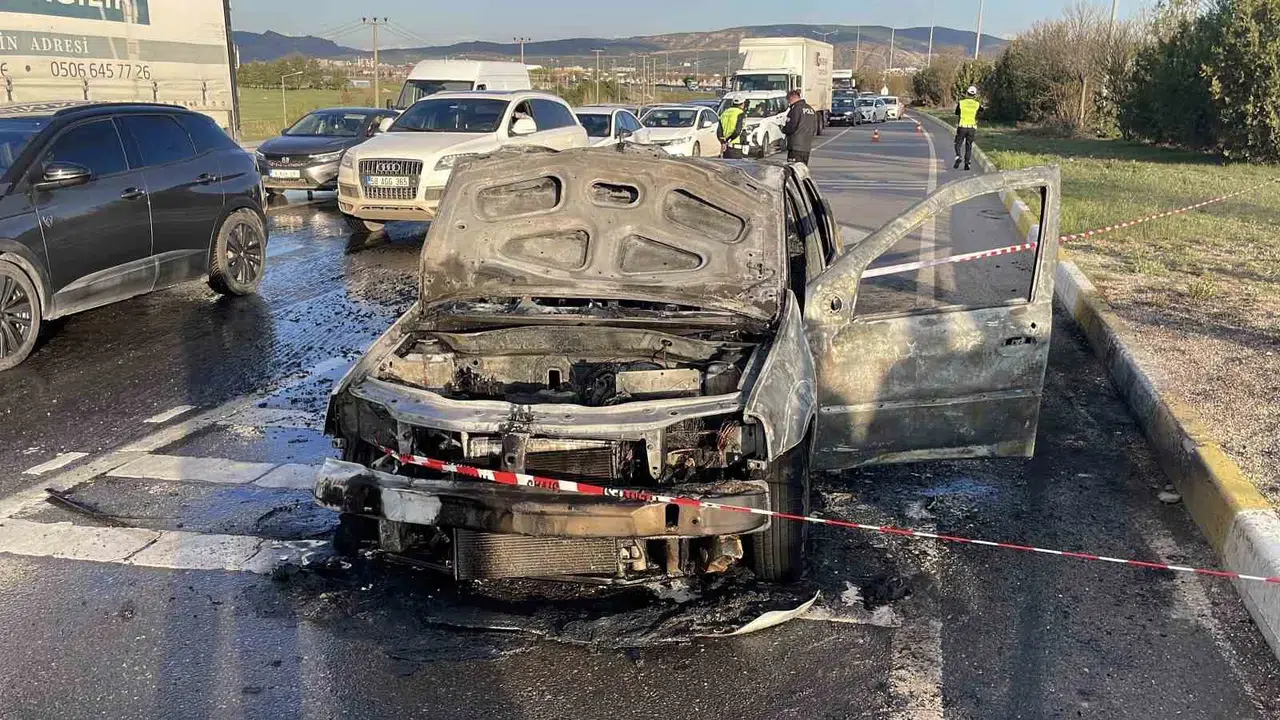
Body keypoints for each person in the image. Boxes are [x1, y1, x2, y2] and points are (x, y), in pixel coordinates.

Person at [781, 89, 818, 164]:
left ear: (791, 99)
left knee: (794, 170)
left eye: (788, 101)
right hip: (806, 146)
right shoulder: (810, 109)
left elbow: (791, 127)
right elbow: (814, 128)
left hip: (795, 146)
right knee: (802, 169)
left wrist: (783, 129)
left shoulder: (795, 109)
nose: (788, 103)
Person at [954, 85, 982, 170]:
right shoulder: (976, 104)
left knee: (957, 143)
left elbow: (956, 112)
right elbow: (982, 110)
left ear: (967, 93)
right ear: (975, 95)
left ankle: (958, 156)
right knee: (968, 146)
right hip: (971, 128)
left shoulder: (961, 103)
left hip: (962, 126)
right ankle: (967, 164)